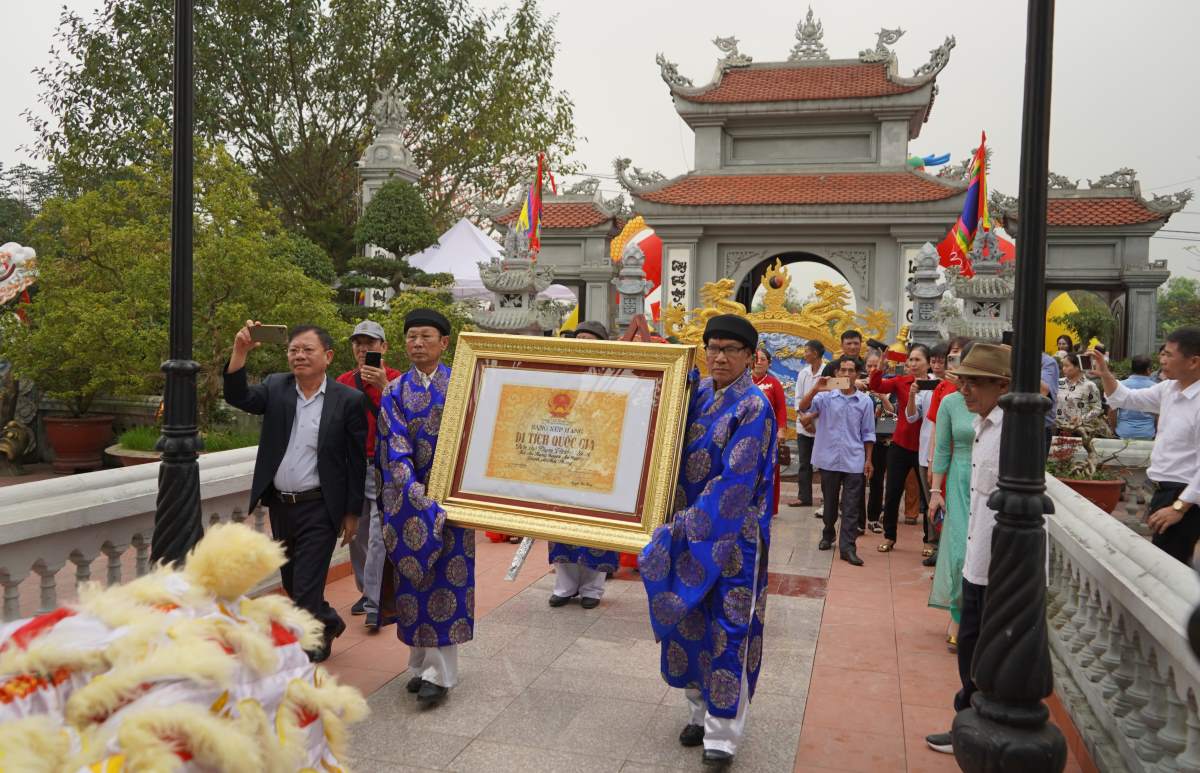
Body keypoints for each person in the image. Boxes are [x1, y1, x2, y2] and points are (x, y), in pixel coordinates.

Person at [641, 313, 775, 770]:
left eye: (730, 350)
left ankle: (723, 734)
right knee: (688, 623)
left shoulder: (755, 407)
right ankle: (698, 712)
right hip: (684, 530)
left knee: (728, 629)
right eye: (713, 348)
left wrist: (682, 525)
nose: (719, 357)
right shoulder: (696, 395)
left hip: (733, 540)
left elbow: (733, 483)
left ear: (750, 358)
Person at [223, 322, 368, 662]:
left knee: (305, 584)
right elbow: (238, 396)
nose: (299, 356)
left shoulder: (348, 400)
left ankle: (310, 642)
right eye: (294, 350)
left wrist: (352, 513)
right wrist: (239, 352)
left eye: (308, 350)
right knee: (291, 579)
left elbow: (356, 462)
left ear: (328, 356)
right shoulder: (277, 388)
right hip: (281, 505)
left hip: (320, 506)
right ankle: (328, 620)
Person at [377, 308, 474, 707]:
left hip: (452, 503)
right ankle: (418, 665)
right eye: (411, 337)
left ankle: (442, 674)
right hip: (409, 503)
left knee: (445, 584)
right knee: (413, 584)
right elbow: (393, 446)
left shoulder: (465, 384)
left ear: (444, 343)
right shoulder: (394, 391)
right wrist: (415, 491)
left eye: (426, 337)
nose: (417, 343)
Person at [925, 342, 1011, 755]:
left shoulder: (1014, 430)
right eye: (963, 381)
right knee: (972, 645)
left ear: (1003, 385)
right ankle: (967, 721)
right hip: (977, 549)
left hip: (1003, 561)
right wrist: (936, 491)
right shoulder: (980, 425)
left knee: (990, 650)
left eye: (976, 383)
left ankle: (981, 726)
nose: (965, 390)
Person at [1091, 327, 1200, 565]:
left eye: (1169, 355)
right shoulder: (1169, 389)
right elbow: (1127, 399)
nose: (1162, 360)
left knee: (1175, 573)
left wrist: (1179, 508)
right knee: (1166, 567)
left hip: (1187, 500)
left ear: (1193, 361)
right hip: (1164, 493)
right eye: (1162, 354)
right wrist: (1105, 374)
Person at [547, 320, 620, 608]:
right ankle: (564, 586)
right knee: (562, 524)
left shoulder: (614, 377)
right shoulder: (562, 375)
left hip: (600, 460)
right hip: (565, 458)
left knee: (596, 525)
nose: (583, 343)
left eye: (590, 338)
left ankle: (592, 588)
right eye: (580, 338)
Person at [336, 320, 401, 632]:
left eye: (370, 343)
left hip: (384, 464)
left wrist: (384, 387)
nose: (363, 349)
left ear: (383, 348)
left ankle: (375, 602)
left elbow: (408, 419)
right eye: (358, 343)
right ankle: (366, 591)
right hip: (352, 466)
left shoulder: (399, 381)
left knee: (377, 534)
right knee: (357, 534)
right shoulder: (343, 381)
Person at [797, 356, 874, 566]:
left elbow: (868, 433)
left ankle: (848, 547)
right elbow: (803, 408)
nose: (846, 375)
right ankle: (828, 532)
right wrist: (816, 388)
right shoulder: (826, 398)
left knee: (851, 506)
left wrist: (869, 460)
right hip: (829, 459)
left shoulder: (865, 401)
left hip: (854, 460)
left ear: (857, 374)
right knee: (829, 502)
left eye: (851, 371)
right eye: (843, 371)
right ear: (837, 373)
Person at [926, 344, 974, 653]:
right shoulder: (950, 402)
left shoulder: (999, 403)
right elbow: (942, 449)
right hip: (957, 479)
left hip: (989, 482)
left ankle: (975, 616)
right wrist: (934, 492)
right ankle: (957, 616)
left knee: (981, 551)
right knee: (958, 552)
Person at [868, 343, 932, 552]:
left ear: (928, 363)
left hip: (925, 448)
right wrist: (880, 367)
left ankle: (928, 540)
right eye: (910, 360)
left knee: (927, 495)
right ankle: (889, 536)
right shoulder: (900, 382)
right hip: (901, 445)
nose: (913, 364)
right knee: (893, 492)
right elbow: (876, 386)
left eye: (918, 360)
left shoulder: (937, 385)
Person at [788, 340, 824, 507]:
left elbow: (829, 400)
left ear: (815, 353)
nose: (804, 354)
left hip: (822, 425)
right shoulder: (803, 373)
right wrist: (803, 417)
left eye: (807, 351)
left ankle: (827, 498)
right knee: (804, 463)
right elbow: (798, 398)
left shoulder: (827, 372)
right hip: (804, 425)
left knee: (824, 464)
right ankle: (804, 497)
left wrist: (812, 416)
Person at [752, 347, 788, 515]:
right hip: (748, 432)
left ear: (769, 363)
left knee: (770, 469)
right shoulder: (744, 380)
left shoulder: (774, 383)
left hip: (769, 434)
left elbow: (781, 409)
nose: (758, 362)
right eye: (756, 358)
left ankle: (769, 507)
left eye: (762, 359)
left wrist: (781, 430)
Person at [1055, 353, 1104, 435]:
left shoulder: (1089, 386)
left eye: (1067, 366)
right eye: (1063, 366)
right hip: (1060, 428)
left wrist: (1081, 419)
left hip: (1081, 430)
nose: (1063, 369)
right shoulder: (1059, 383)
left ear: (1077, 367)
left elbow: (1097, 409)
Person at [1112, 355, 1158, 440]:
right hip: (1147, 432)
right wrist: (1156, 430)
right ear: (1148, 370)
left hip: (1123, 432)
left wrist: (1114, 429)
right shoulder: (1156, 387)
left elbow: (1112, 410)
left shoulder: (1120, 386)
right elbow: (1158, 414)